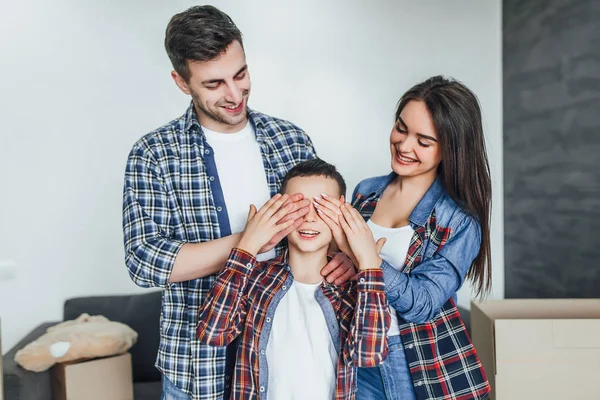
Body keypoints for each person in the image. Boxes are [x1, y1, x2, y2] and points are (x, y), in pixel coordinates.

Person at [122, 6, 354, 399]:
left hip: (288, 358)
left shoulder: (290, 140)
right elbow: (144, 261)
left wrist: (344, 254)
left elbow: (324, 221)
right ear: (181, 82)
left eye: (241, 74)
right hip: (199, 362)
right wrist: (248, 242)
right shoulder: (154, 153)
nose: (234, 94)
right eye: (213, 84)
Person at [316, 76, 492, 399]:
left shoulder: (459, 220)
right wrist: (343, 260)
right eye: (401, 128)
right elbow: (356, 270)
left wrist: (367, 259)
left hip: (416, 363)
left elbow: (423, 303)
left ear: (449, 150)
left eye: (423, 142)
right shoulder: (366, 192)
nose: (404, 145)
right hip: (358, 348)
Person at [197, 159, 391, 400]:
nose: (309, 218)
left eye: (321, 207)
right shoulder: (257, 278)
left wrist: (368, 264)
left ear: (342, 213)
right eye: (299, 207)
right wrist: (247, 245)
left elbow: (368, 354)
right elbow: (213, 332)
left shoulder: (351, 288)